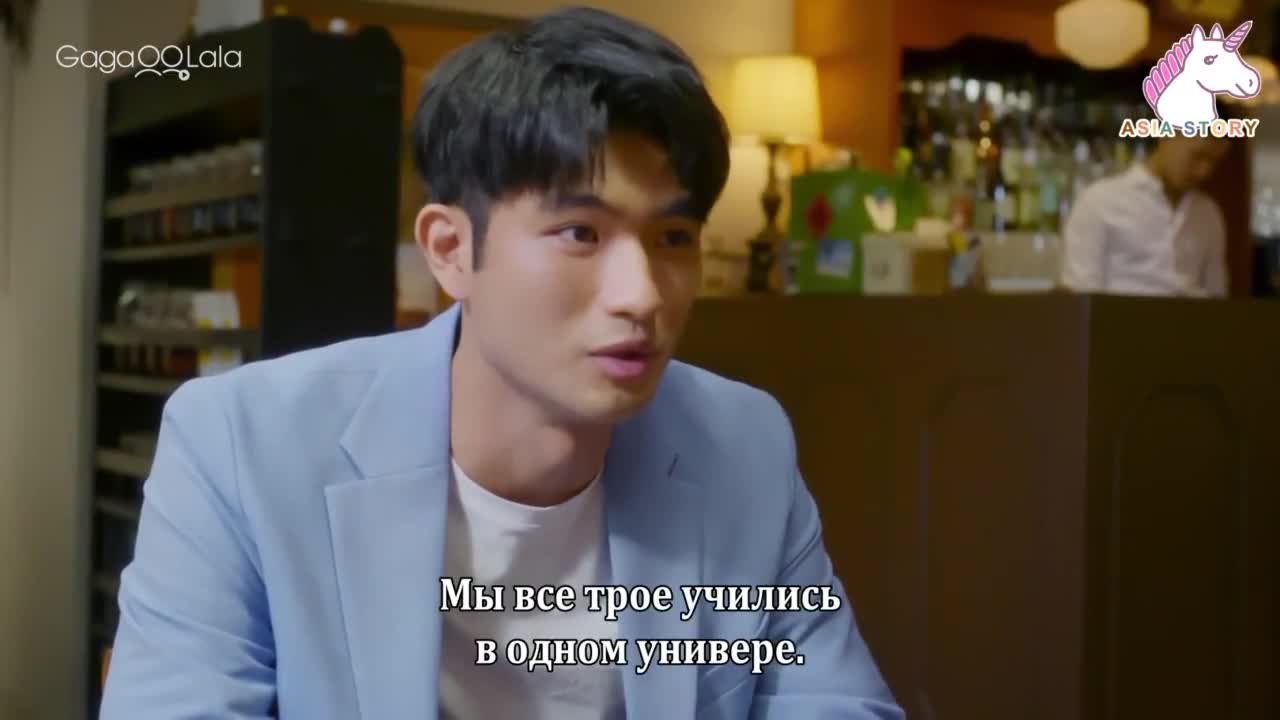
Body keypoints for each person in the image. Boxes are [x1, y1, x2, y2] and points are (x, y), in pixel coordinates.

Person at [99, 6, 902, 720]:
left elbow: (834, 700)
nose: (642, 296)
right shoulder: (242, 445)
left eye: (673, 239)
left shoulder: (742, 443)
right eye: (581, 233)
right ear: (451, 250)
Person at [1060, 133, 1231, 297]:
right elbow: (1082, 296)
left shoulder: (1207, 213)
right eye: (1197, 156)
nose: (1204, 171)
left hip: (1190, 317)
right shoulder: (1100, 201)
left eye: (1213, 162)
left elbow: (1216, 296)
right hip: (1116, 316)